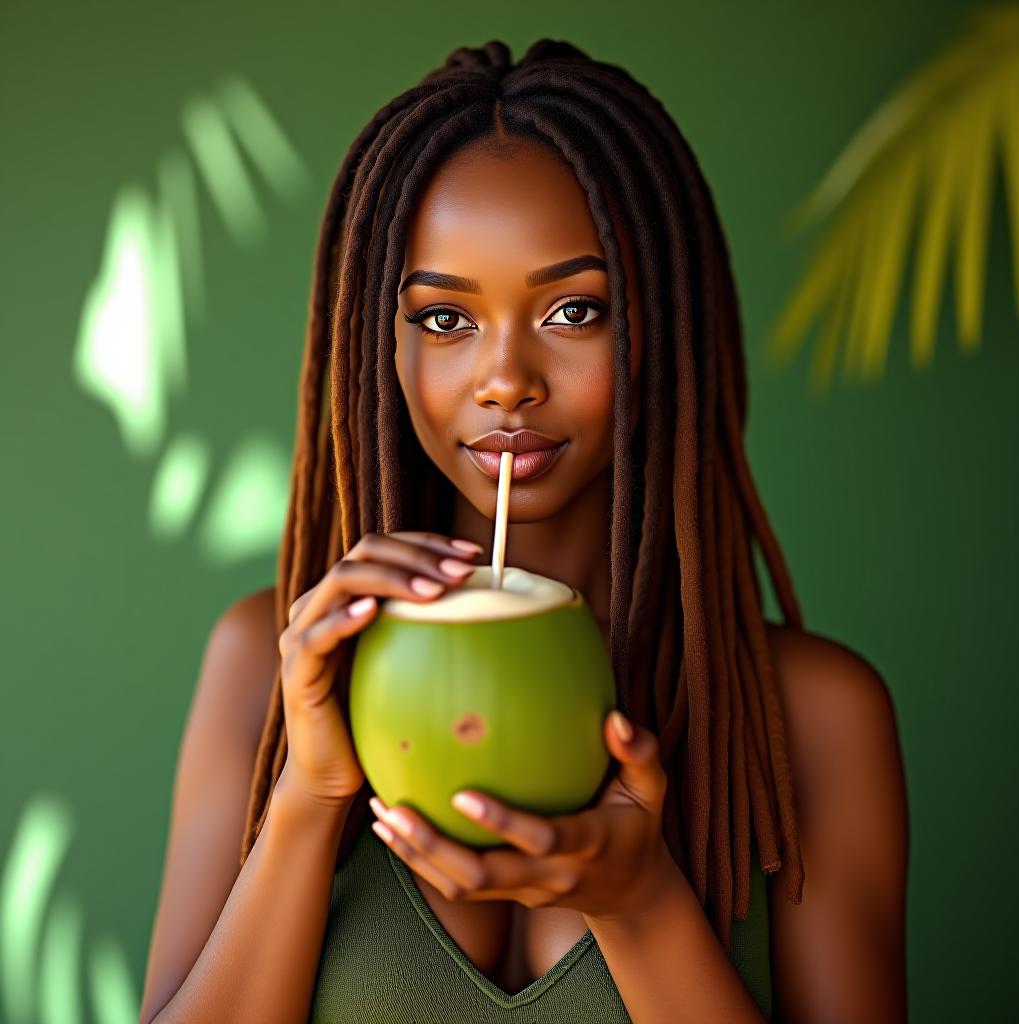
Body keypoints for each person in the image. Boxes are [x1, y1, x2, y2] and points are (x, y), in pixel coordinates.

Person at [138, 38, 908, 1023]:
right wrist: (307, 798)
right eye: (445, 320)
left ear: (659, 328)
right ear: (380, 339)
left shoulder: (813, 718)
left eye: (575, 309)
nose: (505, 377)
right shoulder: (273, 664)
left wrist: (639, 905)